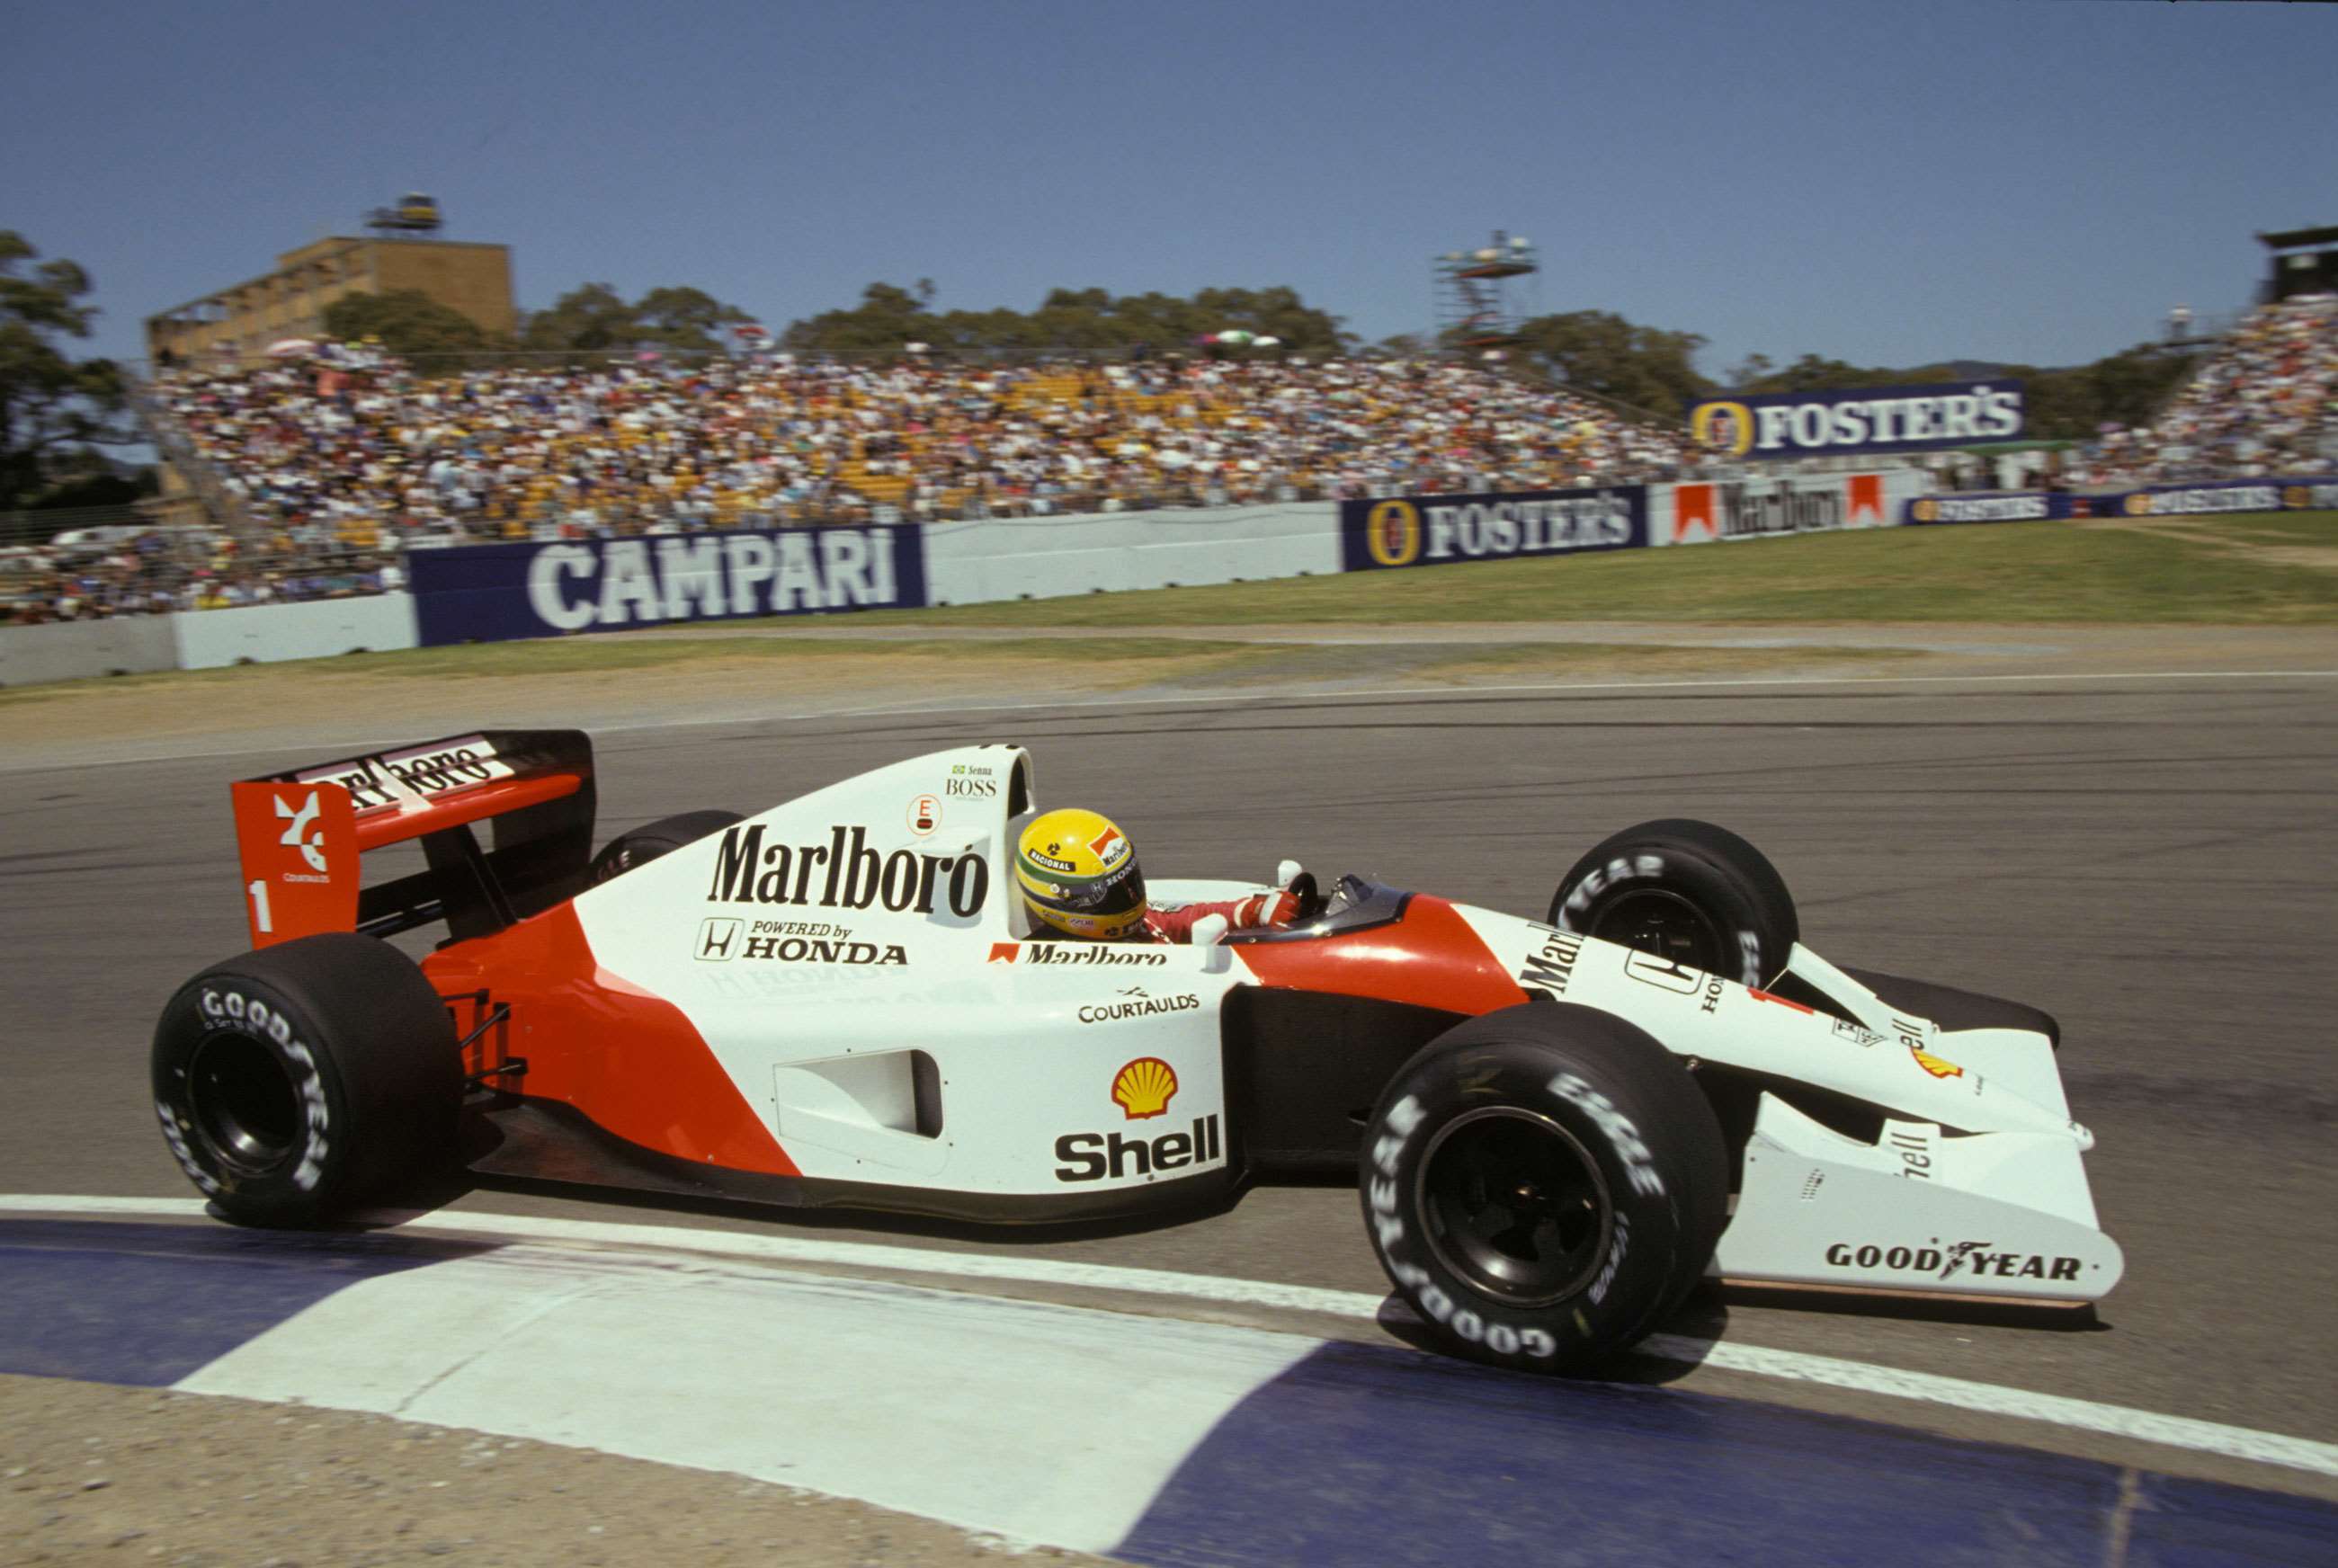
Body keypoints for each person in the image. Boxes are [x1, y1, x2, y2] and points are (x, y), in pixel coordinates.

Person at [1014, 808, 1298, 943]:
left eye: (1127, 880)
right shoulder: (1054, 965)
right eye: (1104, 893)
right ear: (1062, 898)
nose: (1126, 897)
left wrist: (1253, 910)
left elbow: (1180, 919)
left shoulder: (1137, 924)